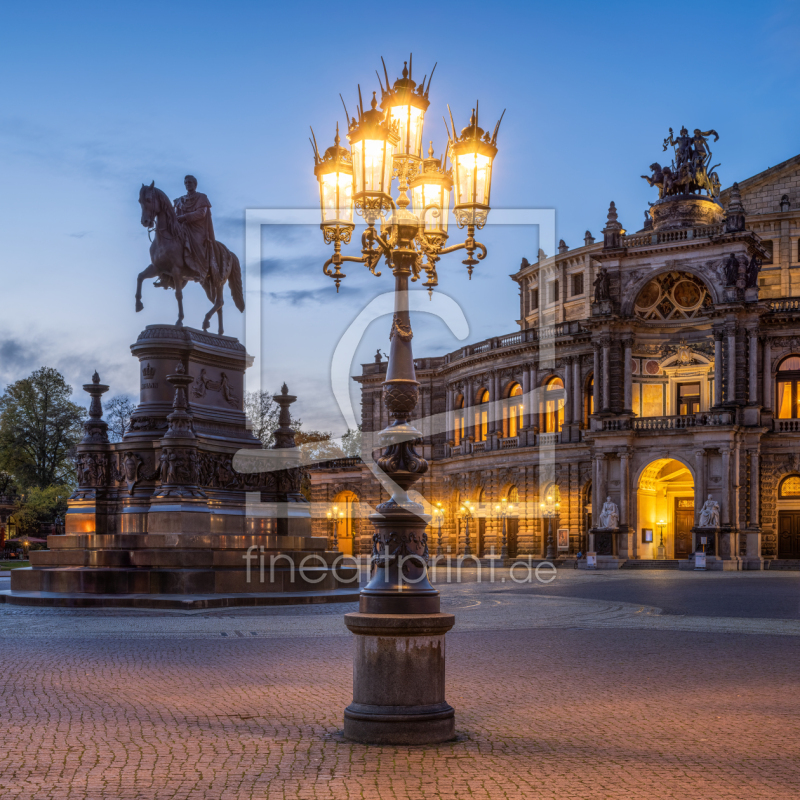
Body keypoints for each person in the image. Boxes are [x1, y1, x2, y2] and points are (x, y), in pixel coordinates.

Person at [174, 175, 217, 284]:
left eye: (190, 182)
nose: (188, 184)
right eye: (186, 182)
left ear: (195, 184)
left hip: (197, 229)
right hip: (183, 227)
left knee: (197, 243)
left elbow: (201, 213)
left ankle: (200, 271)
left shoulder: (202, 197)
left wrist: (184, 217)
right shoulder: (180, 200)